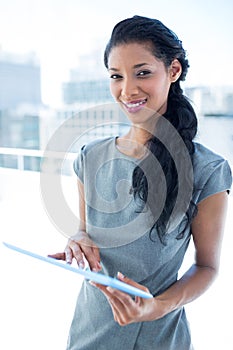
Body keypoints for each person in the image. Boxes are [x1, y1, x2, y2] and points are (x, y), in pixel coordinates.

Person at [50, 15, 232, 349]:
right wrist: (78, 238)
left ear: (173, 71)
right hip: (89, 334)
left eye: (143, 72)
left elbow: (206, 266)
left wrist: (157, 307)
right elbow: (86, 232)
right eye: (116, 76)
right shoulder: (89, 158)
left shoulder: (208, 170)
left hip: (160, 336)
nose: (128, 89)